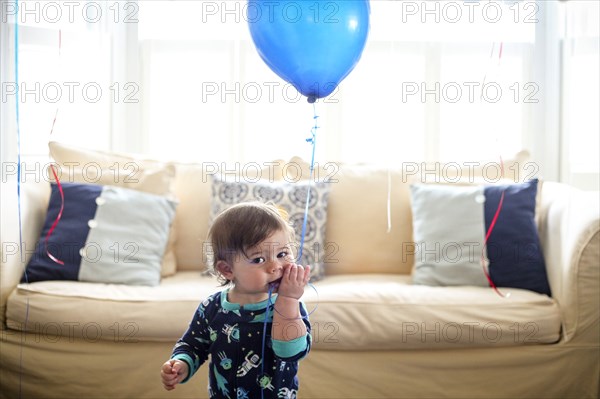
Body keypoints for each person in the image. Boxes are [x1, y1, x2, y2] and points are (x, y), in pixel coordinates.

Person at [160, 202, 311, 399]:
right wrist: (182, 363)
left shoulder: (291, 306)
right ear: (227, 270)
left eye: (282, 254)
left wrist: (288, 299)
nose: (275, 266)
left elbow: (290, 352)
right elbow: (192, 344)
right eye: (258, 259)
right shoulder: (211, 307)